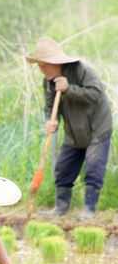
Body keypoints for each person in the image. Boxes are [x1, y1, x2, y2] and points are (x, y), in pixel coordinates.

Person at [26, 36, 112, 219]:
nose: (42, 70)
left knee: (93, 168)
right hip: (74, 132)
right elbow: (50, 106)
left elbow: (96, 95)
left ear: (54, 62)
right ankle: (61, 208)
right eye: (39, 67)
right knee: (63, 167)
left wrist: (69, 89)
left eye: (44, 66)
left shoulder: (83, 70)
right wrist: (51, 121)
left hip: (97, 128)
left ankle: (89, 210)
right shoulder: (48, 81)